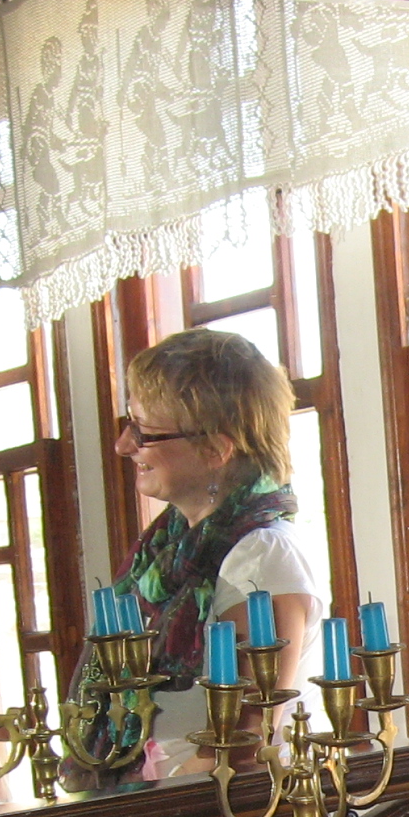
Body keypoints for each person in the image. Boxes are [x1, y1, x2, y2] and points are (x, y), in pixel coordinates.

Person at [99, 328, 321, 778]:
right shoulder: (169, 548)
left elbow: (242, 747)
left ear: (215, 449)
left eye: (143, 431)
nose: (124, 445)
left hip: (221, 814)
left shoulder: (261, 556)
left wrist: (143, 808)